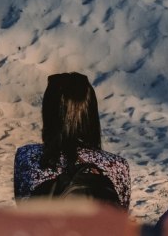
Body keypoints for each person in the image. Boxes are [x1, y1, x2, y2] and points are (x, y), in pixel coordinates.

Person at [13, 72, 129, 207]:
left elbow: (23, 207)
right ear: (90, 115)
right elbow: (120, 217)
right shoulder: (117, 166)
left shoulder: (26, 156)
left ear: (49, 115)